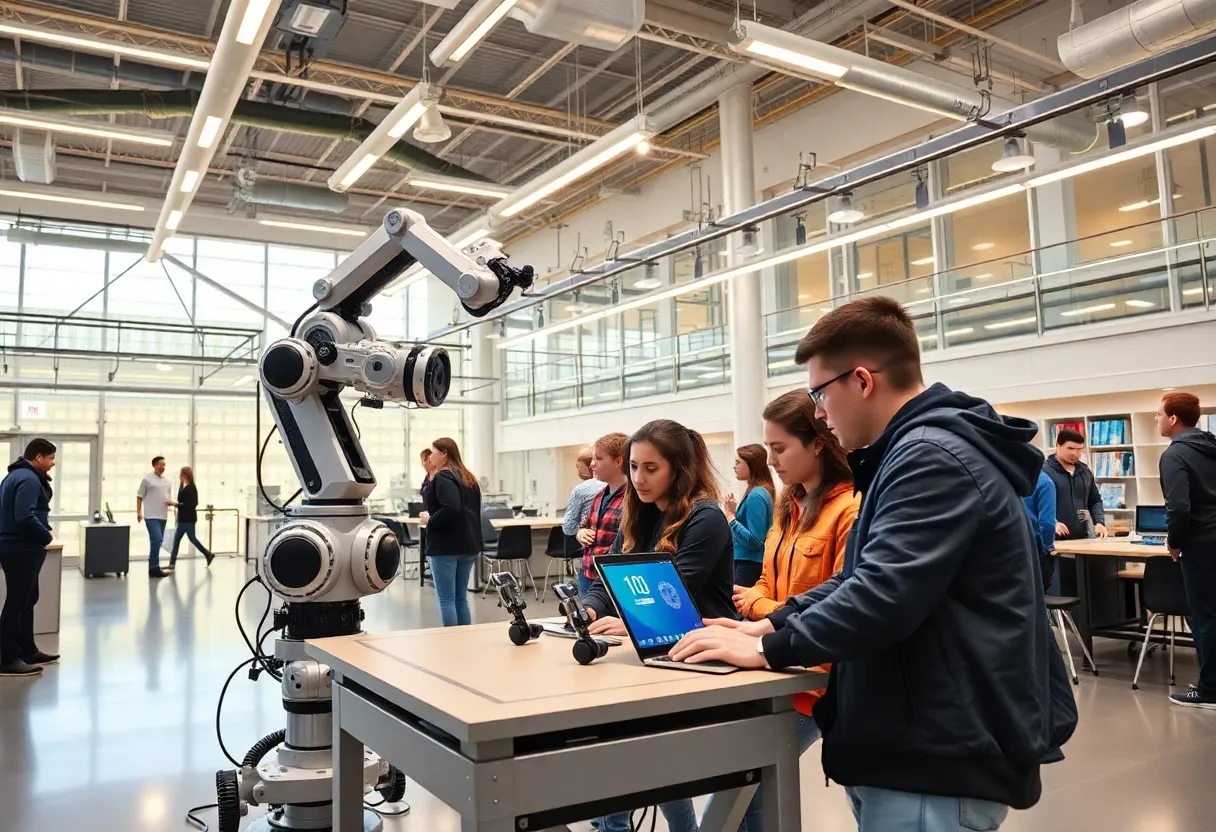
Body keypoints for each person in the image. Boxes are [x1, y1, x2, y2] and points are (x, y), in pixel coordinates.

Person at [672, 296, 1076, 832]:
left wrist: (770, 650)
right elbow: (859, 578)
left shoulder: (930, 457)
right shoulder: (910, 453)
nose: (819, 412)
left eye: (820, 393)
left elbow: (883, 598)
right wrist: (773, 623)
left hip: (935, 755)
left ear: (862, 381)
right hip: (915, 742)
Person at [579, 419, 734, 832]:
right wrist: (590, 611)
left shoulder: (705, 518)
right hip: (656, 656)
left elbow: (676, 593)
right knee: (660, 767)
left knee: (644, 761)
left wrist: (627, 619)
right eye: (633, 467)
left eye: (651, 468)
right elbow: (606, 576)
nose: (638, 478)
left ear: (678, 469)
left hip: (702, 660)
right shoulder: (640, 513)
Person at [726, 391, 859, 832]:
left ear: (818, 443)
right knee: (745, 791)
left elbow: (838, 600)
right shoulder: (789, 508)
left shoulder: (850, 509)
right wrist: (758, 612)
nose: (772, 461)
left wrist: (759, 611)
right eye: (768, 449)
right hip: (773, 660)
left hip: (812, 676)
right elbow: (767, 579)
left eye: (780, 448)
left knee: (742, 796)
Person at [1156, 391, 1216, 709]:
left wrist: (1175, 541)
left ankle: (1209, 690)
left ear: (1173, 418)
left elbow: (1178, 507)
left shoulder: (1175, 455)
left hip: (1202, 543)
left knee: (1205, 617)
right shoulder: (1211, 446)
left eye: (1159, 414)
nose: (1156, 419)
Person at [0, 438, 60, 677]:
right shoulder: (28, 479)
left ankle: (27, 650)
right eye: (51, 458)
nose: (53, 463)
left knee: (28, 599)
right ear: (38, 457)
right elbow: (24, 516)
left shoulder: (16, 476)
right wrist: (45, 535)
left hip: (17, 546)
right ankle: (7, 659)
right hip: (21, 548)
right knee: (17, 602)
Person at [420, 437, 483, 627]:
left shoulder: (443, 477)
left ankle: (451, 640)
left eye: (433, 452)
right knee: (460, 597)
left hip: (446, 546)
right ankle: (463, 638)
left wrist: (431, 520)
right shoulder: (468, 478)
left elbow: (452, 507)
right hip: (469, 544)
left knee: (446, 599)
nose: (430, 457)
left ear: (444, 453)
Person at [574, 433, 628, 599]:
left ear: (618, 462)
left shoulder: (630, 500)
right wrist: (581, 533)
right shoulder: (600, 495)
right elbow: (584, 525)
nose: (592, 465)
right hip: (589, 572)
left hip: (612, 579)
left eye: (598, 458)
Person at [1043, 428, 1108, 540]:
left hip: (1081, 538)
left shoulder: (1085, 471)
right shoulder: (1043, 472)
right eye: (1070, 448)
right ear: (1058, 445)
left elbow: (1095, 500)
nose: (1075, 453)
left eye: (1079, 449)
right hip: (1053, 539)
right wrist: (1052, 523)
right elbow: (1032, 505)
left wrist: (1099, 522)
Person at [725, 443, 775, 588]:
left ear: (751, 464)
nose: (734, 467)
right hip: (747, 563)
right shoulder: (757, 492)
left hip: (749, 565)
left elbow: (754, 540)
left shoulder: (756, 495)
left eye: (738, 462)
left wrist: (731, 518)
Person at [168, 466, 214, 569]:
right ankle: (172, 564)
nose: (180, 476)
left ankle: (208, 554)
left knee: (189, 539)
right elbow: (180, 499)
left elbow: (192, 504)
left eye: (182, 474)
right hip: (182, 519)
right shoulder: (183, 485)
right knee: (179, 541)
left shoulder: (192, 487)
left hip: (188, 519)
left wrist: (176, 504)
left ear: (185, 474)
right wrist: (178, 504)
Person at [136, 456, 174, 578]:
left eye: (164, 465)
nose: (162, 467)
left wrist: (171, 504)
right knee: (156, 539)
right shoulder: (147, 479)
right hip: (151, 516)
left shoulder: (167, 481)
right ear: (154, 465)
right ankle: (154, 567)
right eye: (160, 464)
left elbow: (168, 497)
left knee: (158, 541)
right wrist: (139, 512)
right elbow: (139, 496)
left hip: (163, 516)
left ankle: (153, 565)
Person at [1024, 470, 1058, 592]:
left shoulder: (1007, 479)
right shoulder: (1044, 482)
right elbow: (1047, 523)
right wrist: (1046, 550)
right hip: (1035, 549)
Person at [562, 446, 604, 537]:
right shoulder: (613, 485)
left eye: (578, 467)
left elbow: (568, 526)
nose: (577, 471)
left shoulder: (581, 489)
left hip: (588, 539)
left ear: (588, 467)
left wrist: (579, 531)